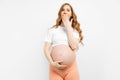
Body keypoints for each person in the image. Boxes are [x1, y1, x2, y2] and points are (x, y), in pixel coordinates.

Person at [44, 3, 83, 80]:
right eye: (63, 10)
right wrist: (52, 63)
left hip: (71, 69)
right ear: (60, 13)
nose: (65, 11)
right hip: (55, 70)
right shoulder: (53, 30)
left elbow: (74, 46)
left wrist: (68, 26)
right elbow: (46, 49)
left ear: (71, 15)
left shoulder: (74, 32)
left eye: (68, 10)